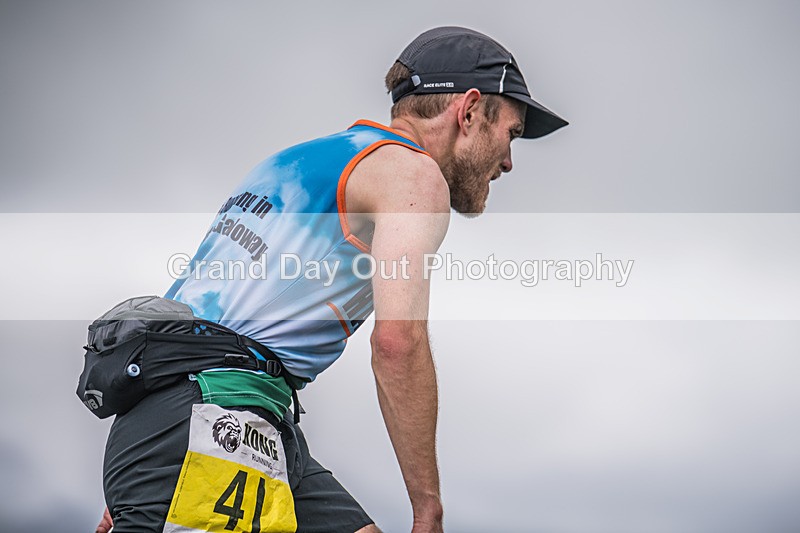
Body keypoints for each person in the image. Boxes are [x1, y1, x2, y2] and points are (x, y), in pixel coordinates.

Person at [96, 26, 567, 533]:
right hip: (214, 414)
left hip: (218, 417)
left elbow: (194, 306)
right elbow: (397, 343)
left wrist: (150, 456)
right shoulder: (413, 175)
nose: (509, 162)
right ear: (470, 111)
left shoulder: (296, 161)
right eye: (511, 134)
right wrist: (428, 508)